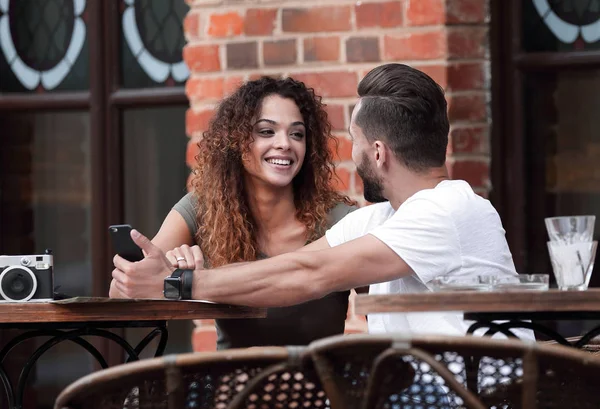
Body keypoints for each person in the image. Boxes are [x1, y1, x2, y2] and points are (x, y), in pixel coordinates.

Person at [110, 63, 519, 338]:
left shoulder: (448, 209)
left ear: (377, 153)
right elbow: (290, 268)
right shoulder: (381, 220)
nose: (352, 155)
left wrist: (178, 284)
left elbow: (310, 272)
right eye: (266, 132)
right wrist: (169, 279)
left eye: (355, 143)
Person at [111, 76, 356, 349]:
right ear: (237, 141)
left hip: (317, 387)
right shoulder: (204, 209)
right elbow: (120, 295)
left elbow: (386, 304)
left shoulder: (340, 221)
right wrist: (167, 271)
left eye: (297, 134)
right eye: (266, 132)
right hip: (232, 386)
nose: (285, 143)